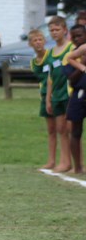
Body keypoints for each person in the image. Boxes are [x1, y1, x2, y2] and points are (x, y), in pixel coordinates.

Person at [45, 15, 74, 172]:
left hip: (69, 94)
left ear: (65, 30)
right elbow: (50, 77)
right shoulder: (50, 52)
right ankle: (64, 161)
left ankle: (74, 162)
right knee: (60, 128)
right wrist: (48, 98)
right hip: (57, 95)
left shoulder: (72, 48)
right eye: (51, 30)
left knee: (71, 129)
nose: (54, 33)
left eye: (57, 30)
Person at [30, 29, 59, 170]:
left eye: (40, 39)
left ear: (45, 41)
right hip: (43, 97)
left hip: (56, 96)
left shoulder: (52, 56)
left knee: (64, 129)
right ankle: (52, 160)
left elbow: (56, 75)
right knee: (51, 130)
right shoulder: (33, 62)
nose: (38, 43)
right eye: (34, 40)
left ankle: (67, 161)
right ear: (30, 44)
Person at [60, 24, 86, 174]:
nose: (77, 39)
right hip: (79, 94)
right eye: (74, 36)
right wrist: (82, 65)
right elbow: (71, 79)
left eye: (80, 35)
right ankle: (78, 167)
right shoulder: (72, 55)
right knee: (76, 131)